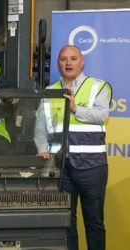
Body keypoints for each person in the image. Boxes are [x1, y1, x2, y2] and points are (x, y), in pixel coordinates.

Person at [34, 45, 112, 250]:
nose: (68, 63)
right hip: (61, 168)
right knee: (65, 223)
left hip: (92, 167)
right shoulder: (50, 92)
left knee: (94, 223)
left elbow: (102, 115)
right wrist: (42, 147)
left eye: (73, 58)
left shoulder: (99, 86)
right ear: (58, 63)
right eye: (63, 59)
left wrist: (76, 108)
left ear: (82, 62)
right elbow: (40, 125)